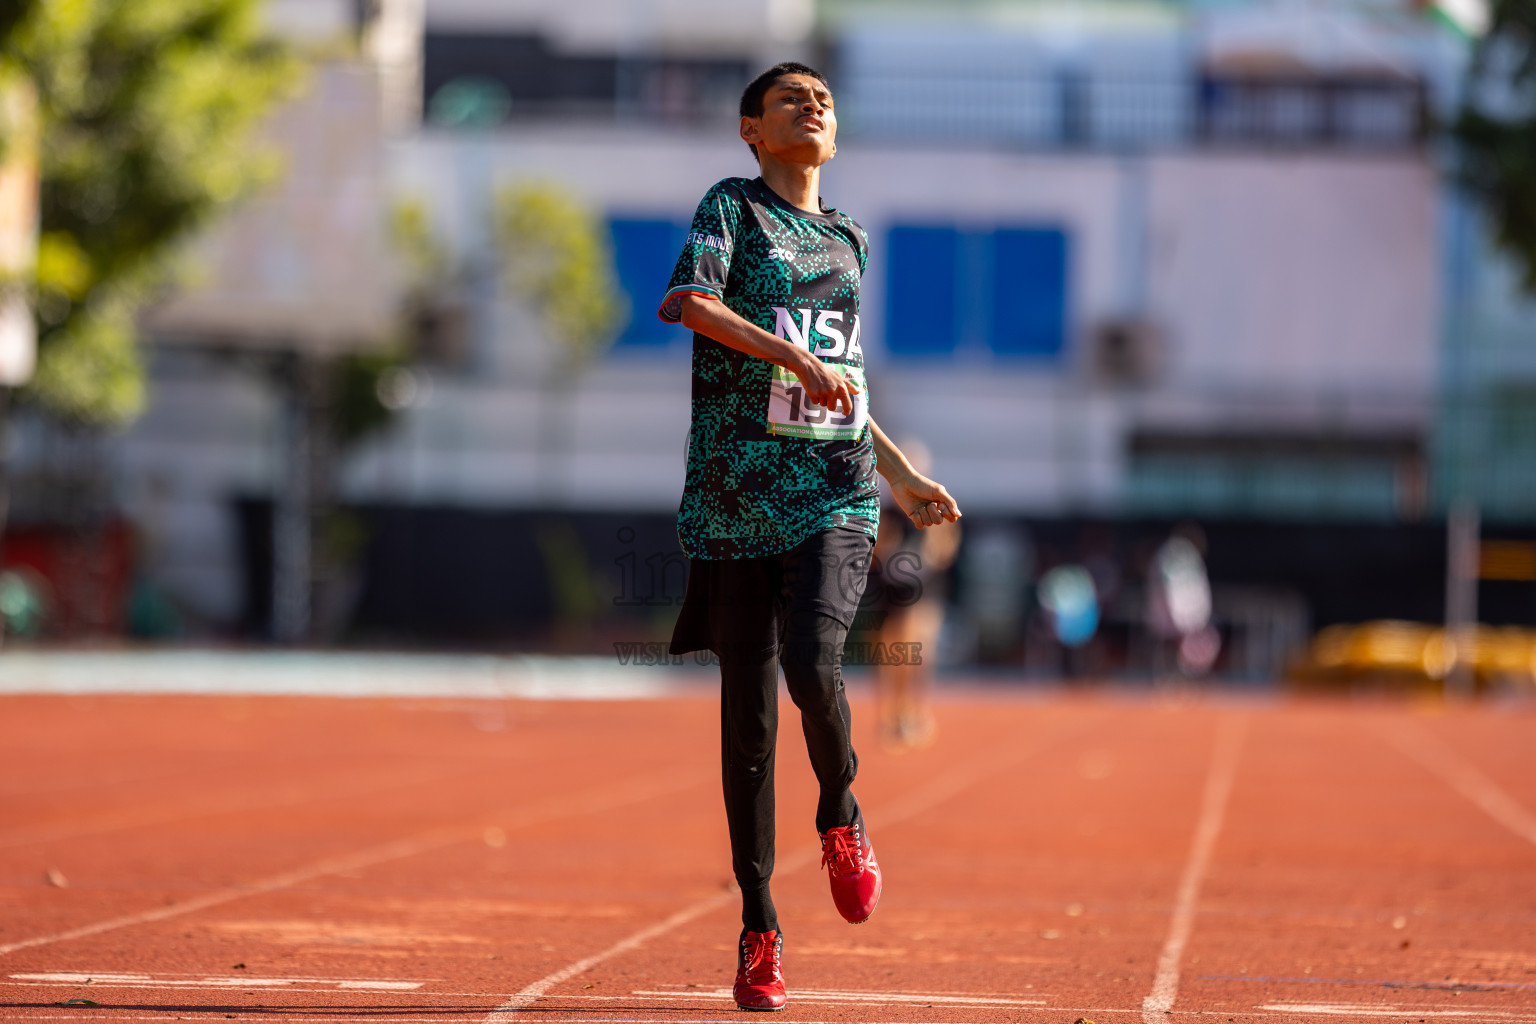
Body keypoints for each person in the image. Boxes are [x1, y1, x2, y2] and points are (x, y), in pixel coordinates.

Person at [659, 62, 961, 1013]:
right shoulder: (732, 209)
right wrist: (784, 349)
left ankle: (842, 812)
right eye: (791, 99)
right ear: (751, 129)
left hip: (834, 488)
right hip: (736, 493)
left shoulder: (848, 241)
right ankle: (758, 926)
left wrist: (900, 475)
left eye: (823, 98)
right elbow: (691, 305)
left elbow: (846, 376)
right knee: (745, 724)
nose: (814, 106)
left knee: (815, 662)